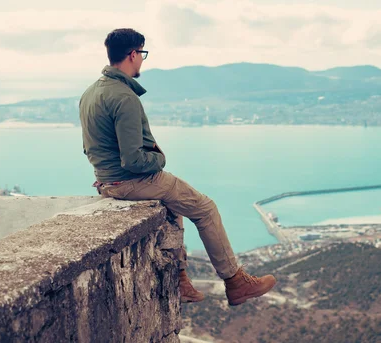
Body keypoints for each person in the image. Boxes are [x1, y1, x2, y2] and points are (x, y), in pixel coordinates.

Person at [79, 28, 276, 306]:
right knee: (206, 208)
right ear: (133, 54)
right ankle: (236, 281)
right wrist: (160, 159)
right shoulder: (124, 97)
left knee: (176, 205)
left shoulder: (90, 93)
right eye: (142, 54)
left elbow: (91, 147)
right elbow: (134, 160)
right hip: (131, 181)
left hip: (108, 183)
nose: (142, 61)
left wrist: (107, 175)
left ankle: (181, 280)